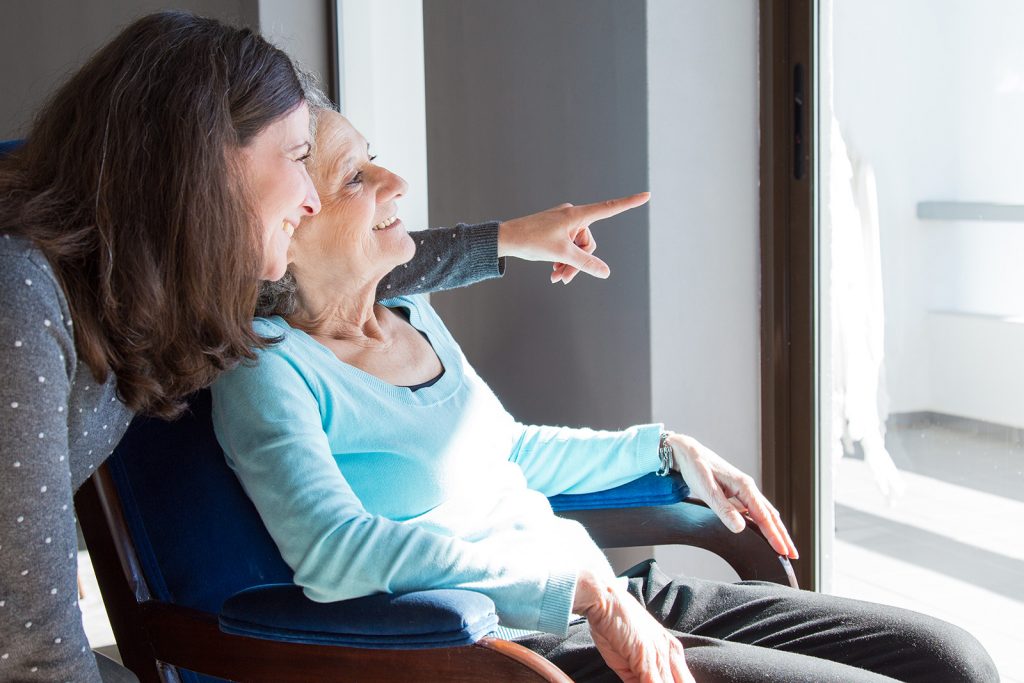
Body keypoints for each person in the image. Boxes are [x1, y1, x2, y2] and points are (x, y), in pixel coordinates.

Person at [211, 109, 999, 683]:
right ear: (290, 224)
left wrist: (666, 448)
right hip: (518, 645)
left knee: (954, 660)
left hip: (609, 593)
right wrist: (582, 591)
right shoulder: (268, 370)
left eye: (373, 158)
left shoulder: (410, 314)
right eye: (357, 176)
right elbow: (335, 555)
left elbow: (509, 451)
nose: (395, 181)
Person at [0, 11, 634, 683]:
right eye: (301, 158)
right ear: (207, 161)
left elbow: (336, 270)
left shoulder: (144, 291)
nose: (310, 199)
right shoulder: (22, 301)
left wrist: (506, 240)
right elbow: (34, 650)